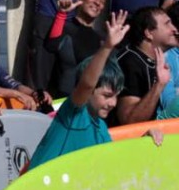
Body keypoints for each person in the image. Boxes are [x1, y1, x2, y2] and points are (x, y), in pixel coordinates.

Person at [30, 11, 129, 169]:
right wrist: (107, 46)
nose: (113, 103)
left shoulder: (101, 128)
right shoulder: (73, 115)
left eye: (116, 96)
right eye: (107, 95)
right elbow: (87, 84)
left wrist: (147, 138)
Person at [111, 6, 175, 126]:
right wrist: (159, 85)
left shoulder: (152, 59)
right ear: (149, 33)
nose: (174, 29)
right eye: (167, 24)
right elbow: (129, 120)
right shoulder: (129, 62)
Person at [43, 0, 107, 98]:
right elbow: (51, 45)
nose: (97, 3)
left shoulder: (101, 40)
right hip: (59, 102)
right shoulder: (65, 27)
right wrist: (62, 13)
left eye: (102, 1)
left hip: (86, 104)